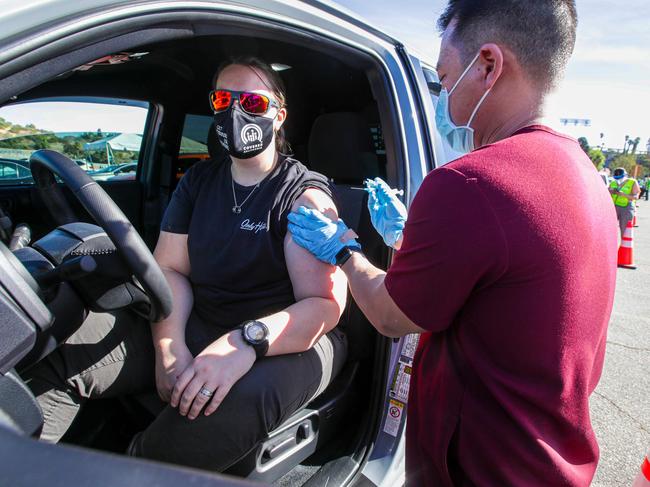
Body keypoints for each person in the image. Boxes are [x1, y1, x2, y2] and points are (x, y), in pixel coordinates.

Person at [287, 1, 618, 486]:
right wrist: (407, 237)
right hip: (551, 459)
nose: (442, 99)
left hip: (478, 468)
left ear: (488, 65)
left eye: (443, 81)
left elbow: (389, 315)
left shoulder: (472, 182)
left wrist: (343, 249)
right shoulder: (585, 177)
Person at [23, 57, 348, 471]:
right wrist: (169, 347)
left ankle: (137, 470)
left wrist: (245, 343)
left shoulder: (304, 197)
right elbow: (169, 271)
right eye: (223, 100)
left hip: (284, 339)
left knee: (215, 414)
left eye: (251, 101)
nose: (236, 113)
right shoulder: (198, 181)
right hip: (201, 318)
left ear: (279, 116)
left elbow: (324, 305)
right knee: (61, 346)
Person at [609, 167, 640, 239]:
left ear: (625, 175)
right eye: (616, 178)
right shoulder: (613, 182)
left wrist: (623, 195)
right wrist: (610, 191)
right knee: (610, 229)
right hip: (614, 208)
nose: (618, 179)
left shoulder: (632, 182)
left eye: (620, 177)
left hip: (626, 208)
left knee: (625, 230)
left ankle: (625, 247)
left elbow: (636, 197)